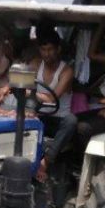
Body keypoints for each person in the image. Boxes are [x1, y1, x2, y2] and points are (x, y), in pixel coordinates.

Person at [33, 27, 77, 181]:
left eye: (50, 49)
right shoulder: (36, 64)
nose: (47, 54)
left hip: (58, 120)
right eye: (43, 49)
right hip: (39, 117)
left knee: (71, 120)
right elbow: (21, 81)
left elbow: (52, 98)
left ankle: (45, 161)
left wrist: (30, 93)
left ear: (58, 49)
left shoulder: (66, 71)